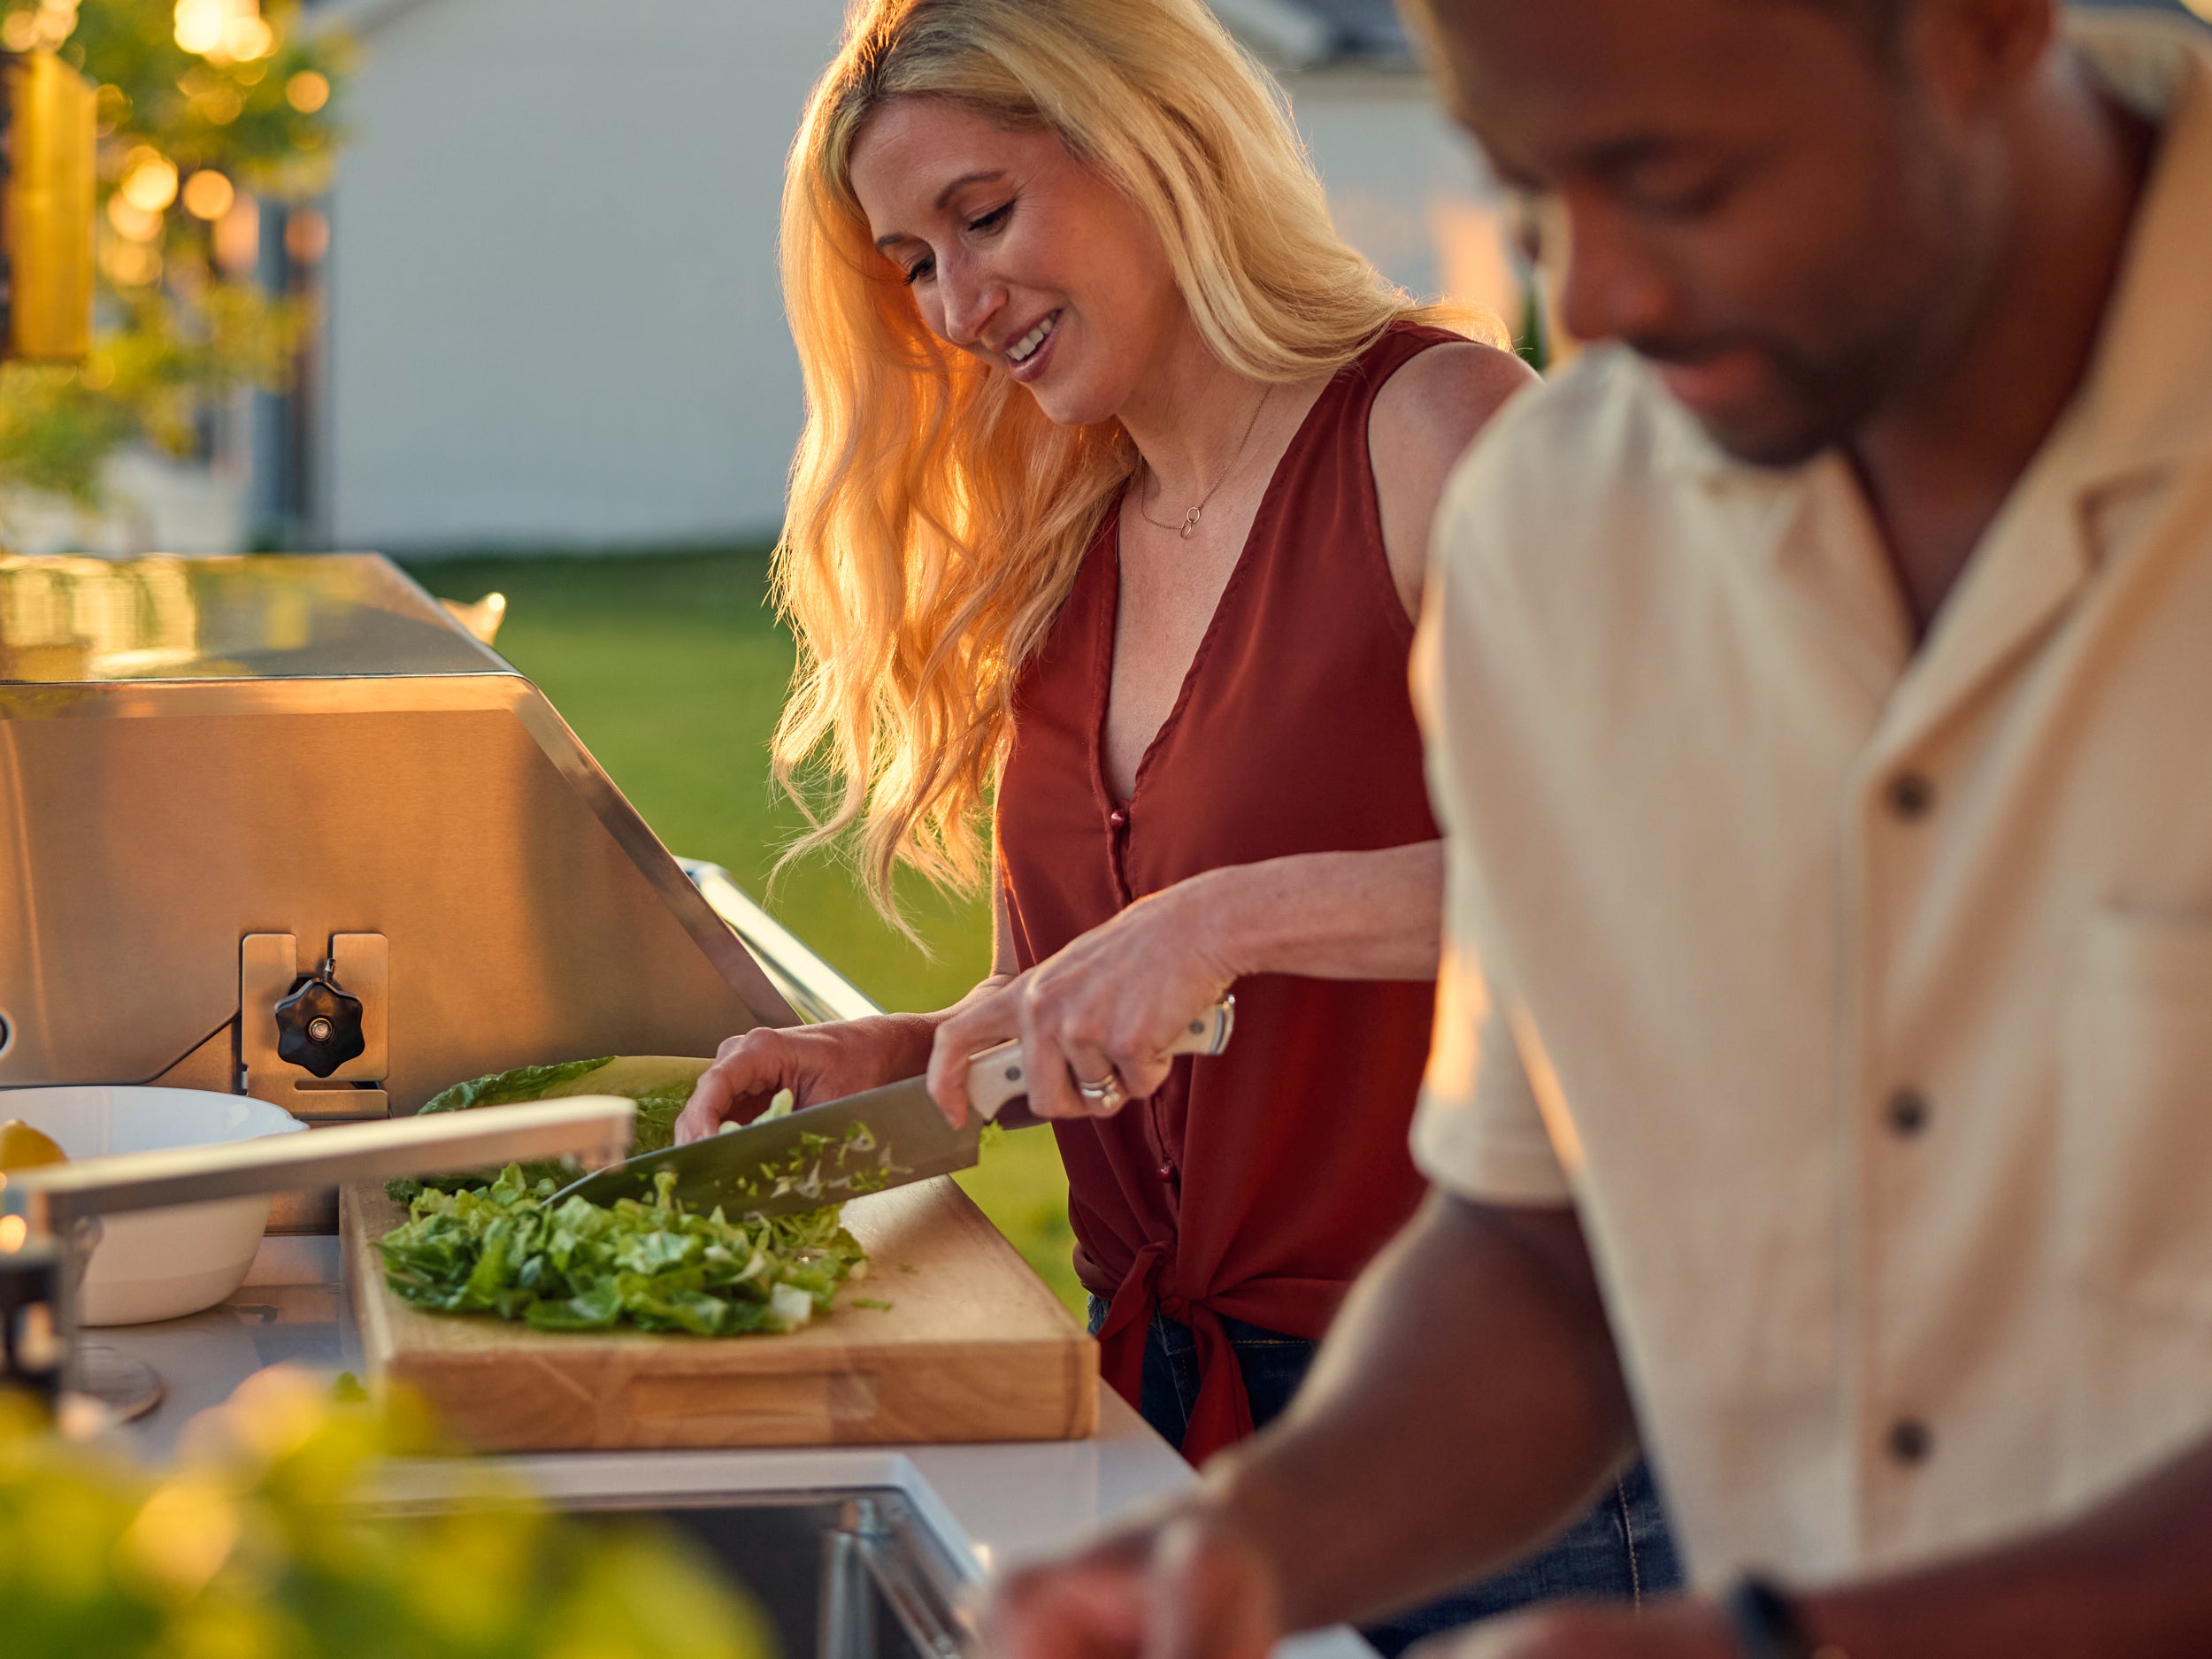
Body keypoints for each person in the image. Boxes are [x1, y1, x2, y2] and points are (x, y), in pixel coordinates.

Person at [983, 0, 2212, 1655]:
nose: (1599, 300)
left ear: (1981, 29)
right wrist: (1254, 1549)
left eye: (1677, 180)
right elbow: (1546, 1245)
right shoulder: (1567, 519)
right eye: (1531, 193)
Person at [675, 0, 1678, 1642]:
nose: (956, 301)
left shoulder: (1436, 429)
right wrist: (921, 1051)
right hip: (1166, 1421)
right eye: (911, 261)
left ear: (1161, 144)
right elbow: (1112, 1029)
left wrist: (1224, 913)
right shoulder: (1070, 540)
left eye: (984, 214)